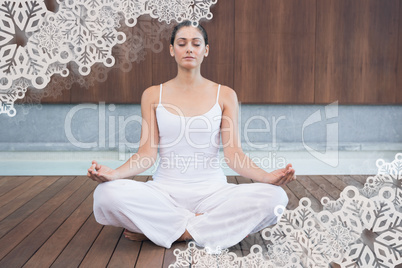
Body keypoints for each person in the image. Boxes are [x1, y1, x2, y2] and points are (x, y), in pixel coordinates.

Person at [87, 20, 296, 251]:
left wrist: (266, 177)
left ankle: (169, 231)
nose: (189, 49)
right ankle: (201, 228)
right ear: (171, 49)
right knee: (105, 194)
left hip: (213, 194)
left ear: (205, 50)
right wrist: (114, 174)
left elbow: (234, 154)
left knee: (275, 198)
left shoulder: (225, 94)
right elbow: (146, 155)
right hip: (164, 193)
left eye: (196, 44)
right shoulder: (153, 94)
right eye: (182, 43)